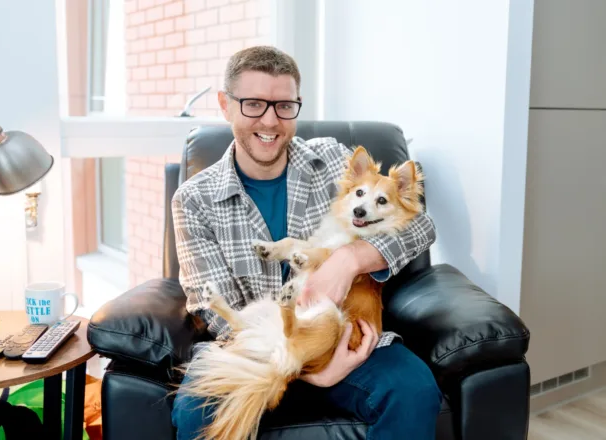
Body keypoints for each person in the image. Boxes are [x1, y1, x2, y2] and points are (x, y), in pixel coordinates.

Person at [170, 46, 442, 440]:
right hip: (255, 347)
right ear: (225, 105)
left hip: (347, 341)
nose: (270, 121)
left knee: (413, 390)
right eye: (253, 104)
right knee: (197, 411)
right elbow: (213, 310)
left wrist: (350, 259)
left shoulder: (331, 158)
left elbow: (421, 227)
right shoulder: (194, 200)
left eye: (284, 106)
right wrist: (308, 368)